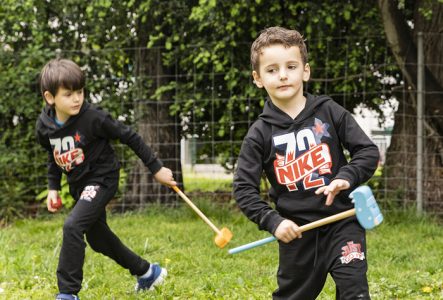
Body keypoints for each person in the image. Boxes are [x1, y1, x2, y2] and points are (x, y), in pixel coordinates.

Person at [233, 26, 380, 300]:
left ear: (306, 71)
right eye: (272, 69)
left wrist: (346, 176)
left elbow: (367, 152)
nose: (283, 75)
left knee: (355, 292)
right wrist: (273, 221)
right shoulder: (259, 134)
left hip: (343, 223)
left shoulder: (329, 112)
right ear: (257, 78)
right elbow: (243, 189)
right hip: (297, 232)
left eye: (291, 66)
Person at [35, 58, 176, 300]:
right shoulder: (44, 126)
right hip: (79, 186)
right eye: (68, 94)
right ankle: (147, 272)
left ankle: (67, 293)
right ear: (50, 98)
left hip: (102, 179)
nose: (77, 98)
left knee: (72, 226)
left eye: (80, 91)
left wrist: (156, 169)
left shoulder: (93, 117)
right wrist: (52, 188)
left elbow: (130, 136)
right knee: (98, 239)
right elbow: (53, 155)